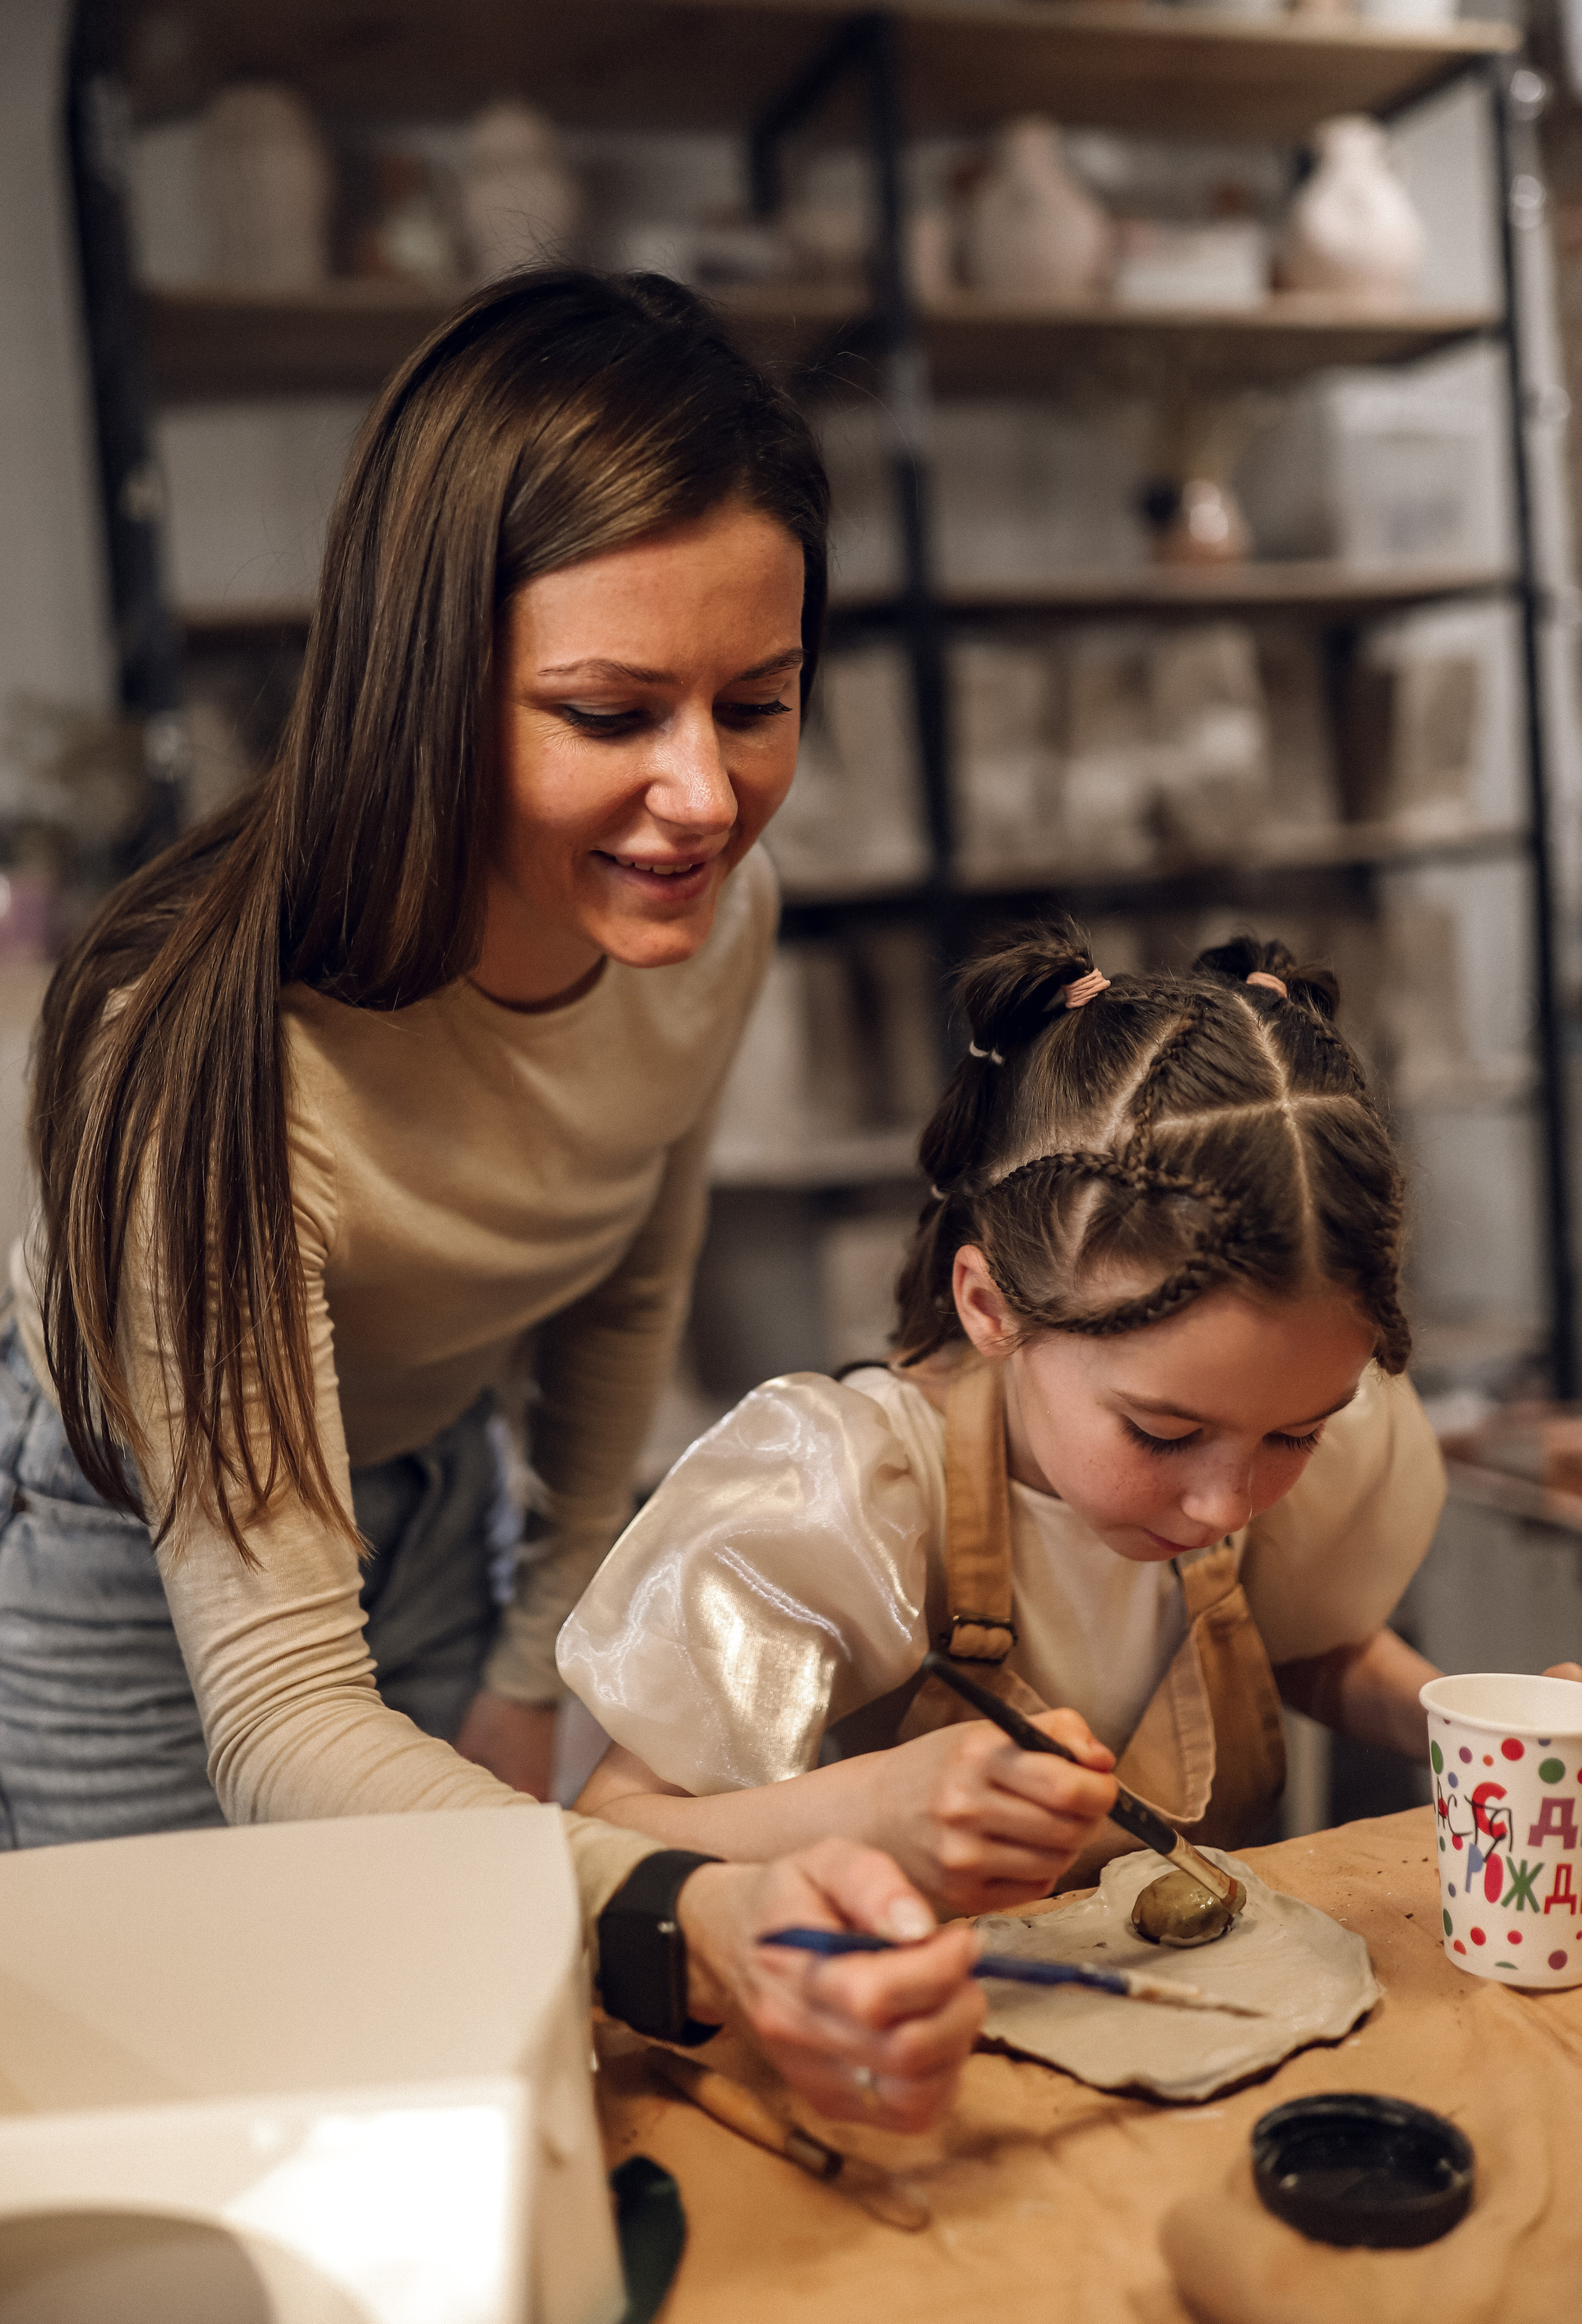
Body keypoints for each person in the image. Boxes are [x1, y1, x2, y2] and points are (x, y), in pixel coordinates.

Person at [0, 268, 984, 2128]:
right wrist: (696, 1905)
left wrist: (541, 1661)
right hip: (133, 1546)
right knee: (172, 2094)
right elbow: (288, 1719)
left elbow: (622, 1282)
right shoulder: (196, 1059)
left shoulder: (714, 920)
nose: (701, 794)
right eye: (609, 711)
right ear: (422, 679)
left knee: (437, 2053)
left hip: (435, 1481)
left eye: (755, 703)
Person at [563, 923, 1582, 1913]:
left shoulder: (1260, 1426)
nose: (1226, 1503)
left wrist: (1476, 1730)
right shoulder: (849, 1490)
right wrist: (866, 1808)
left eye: (1295, 1437)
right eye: (1163, 1435)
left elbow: (1302, 1643)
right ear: (991, 1307)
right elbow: (603, 1834)